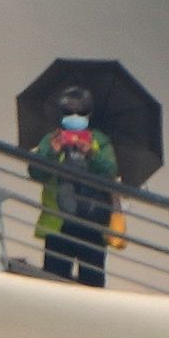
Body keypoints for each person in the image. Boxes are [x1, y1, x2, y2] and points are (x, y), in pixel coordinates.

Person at [28, 91, 117, 289]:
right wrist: (52, 152)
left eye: (81, 111)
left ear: (89, 114)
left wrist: (91, 153)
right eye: (69, 111)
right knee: (53, 284)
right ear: (61, 113)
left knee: (92, 287)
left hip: (92, 224)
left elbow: (110, 172)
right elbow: (35, 172)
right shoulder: (51, 139)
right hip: (58, 223)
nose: (75, 116)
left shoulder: (100, 141)